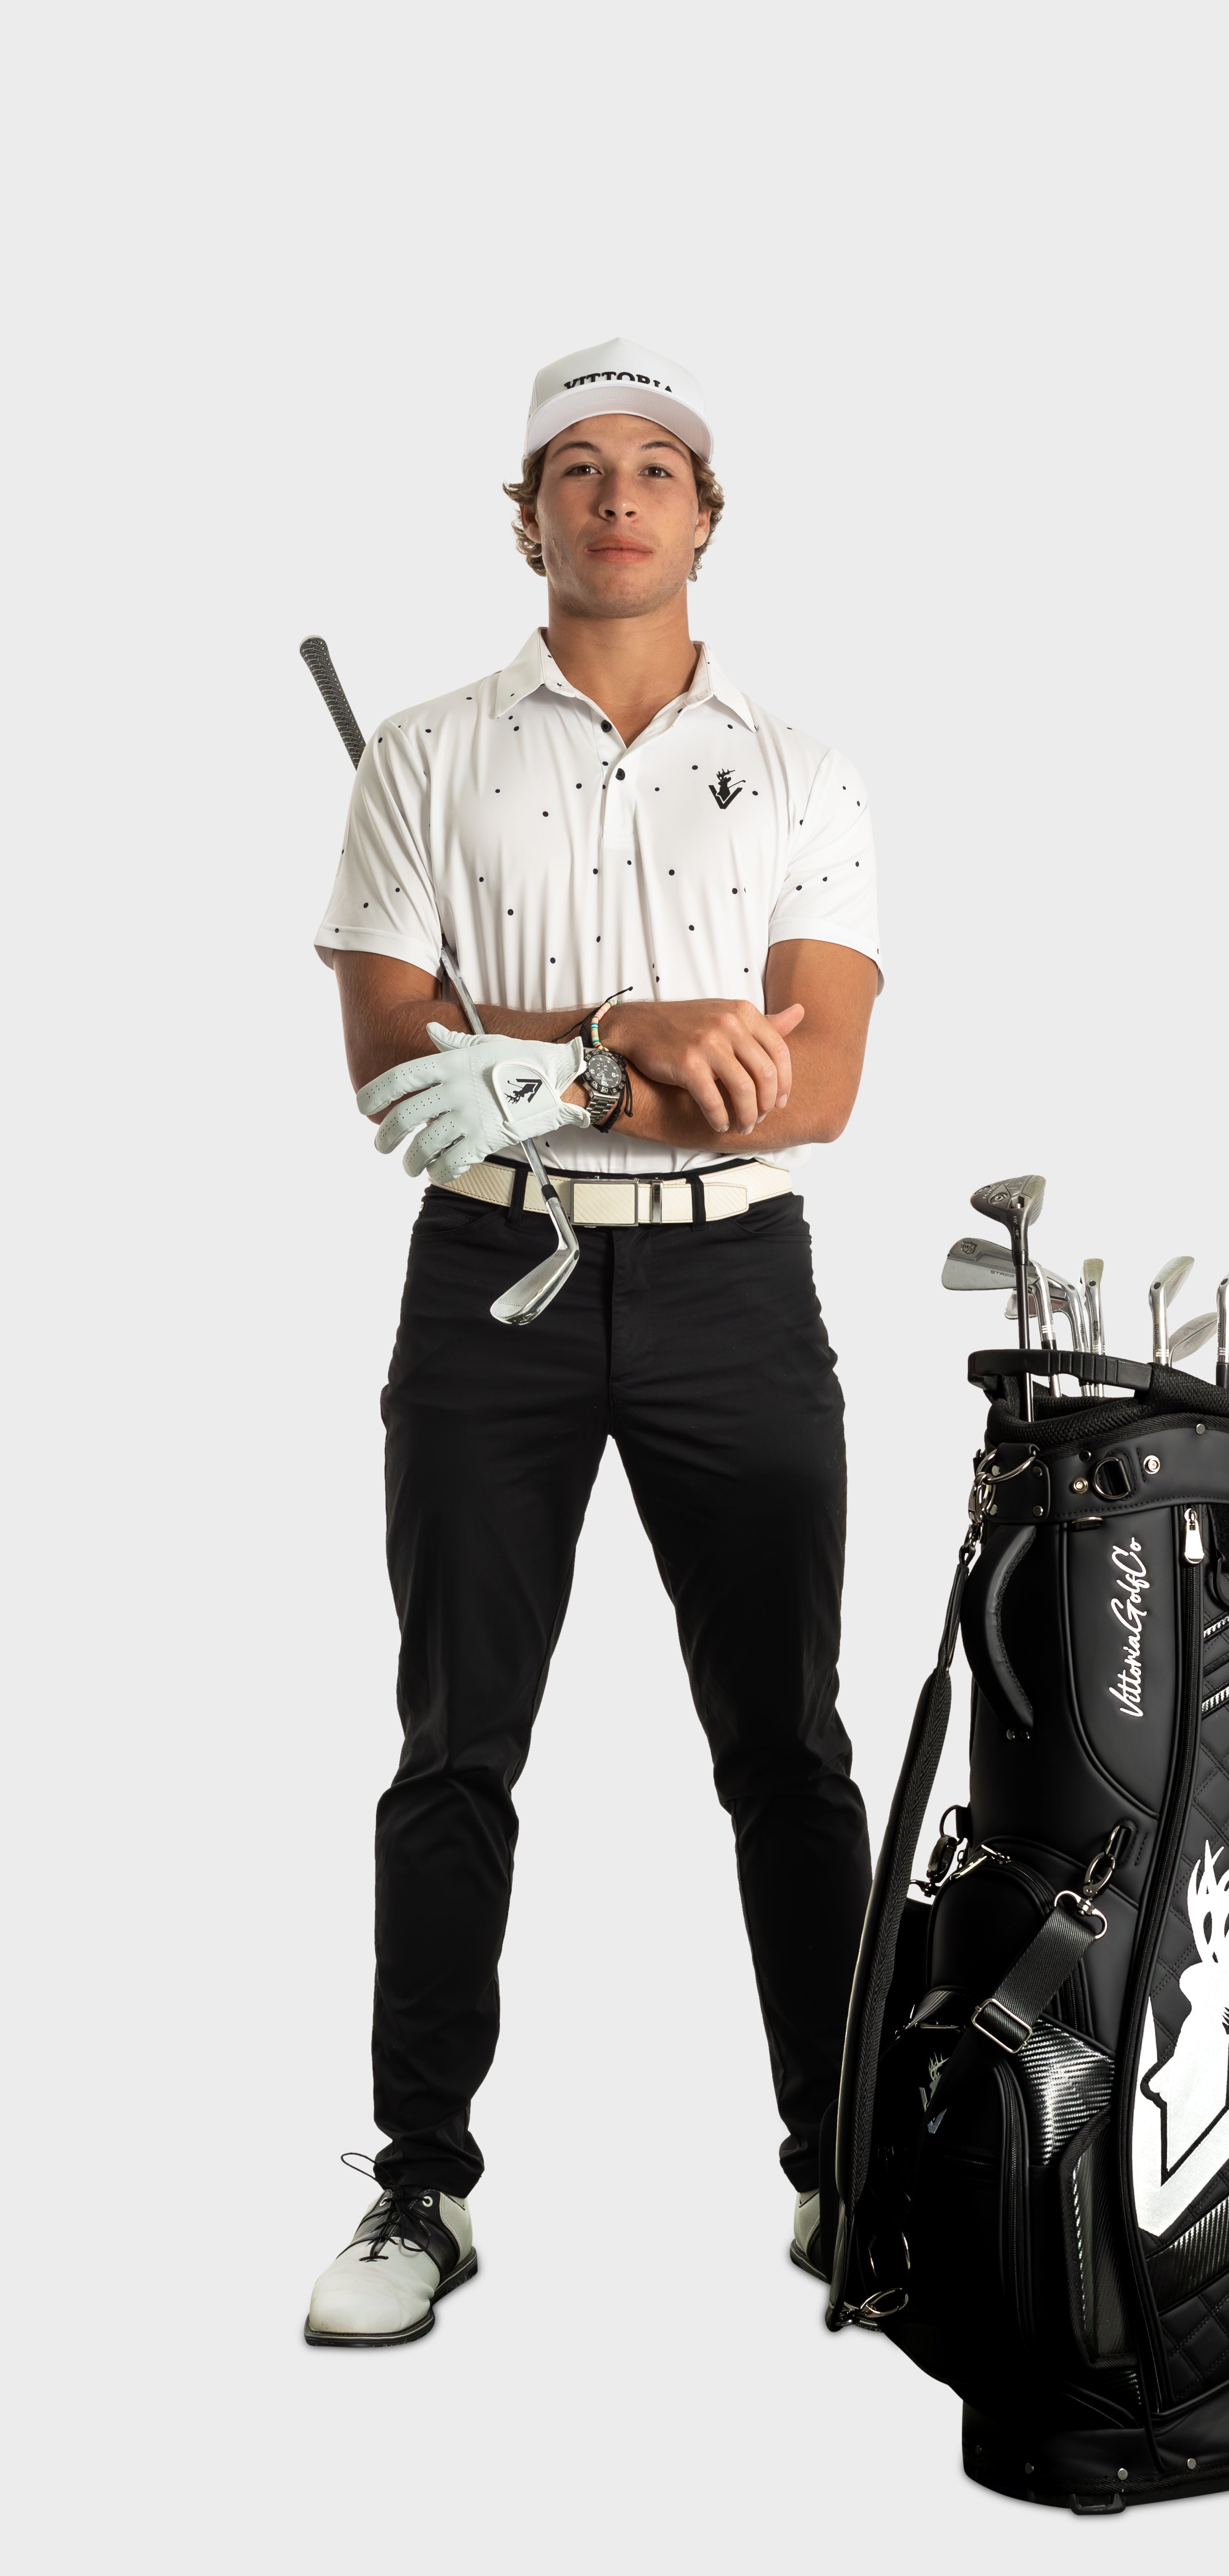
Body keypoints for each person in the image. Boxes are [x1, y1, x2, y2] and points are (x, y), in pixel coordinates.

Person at [303, 337, 880, 2347]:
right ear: (527, 517)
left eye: (654, 468)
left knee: (787, 1749)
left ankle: (847, 2166)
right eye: (576, 468)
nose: (615, 497)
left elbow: (813, 1084)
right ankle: (420, 2189)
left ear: (706, 518)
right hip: (493, 1289)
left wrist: (533, 1053)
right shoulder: (420, 758)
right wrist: (640, 1025)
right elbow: (393, 1072)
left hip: (735, 1289)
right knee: (454, 1748)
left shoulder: (800, 769)